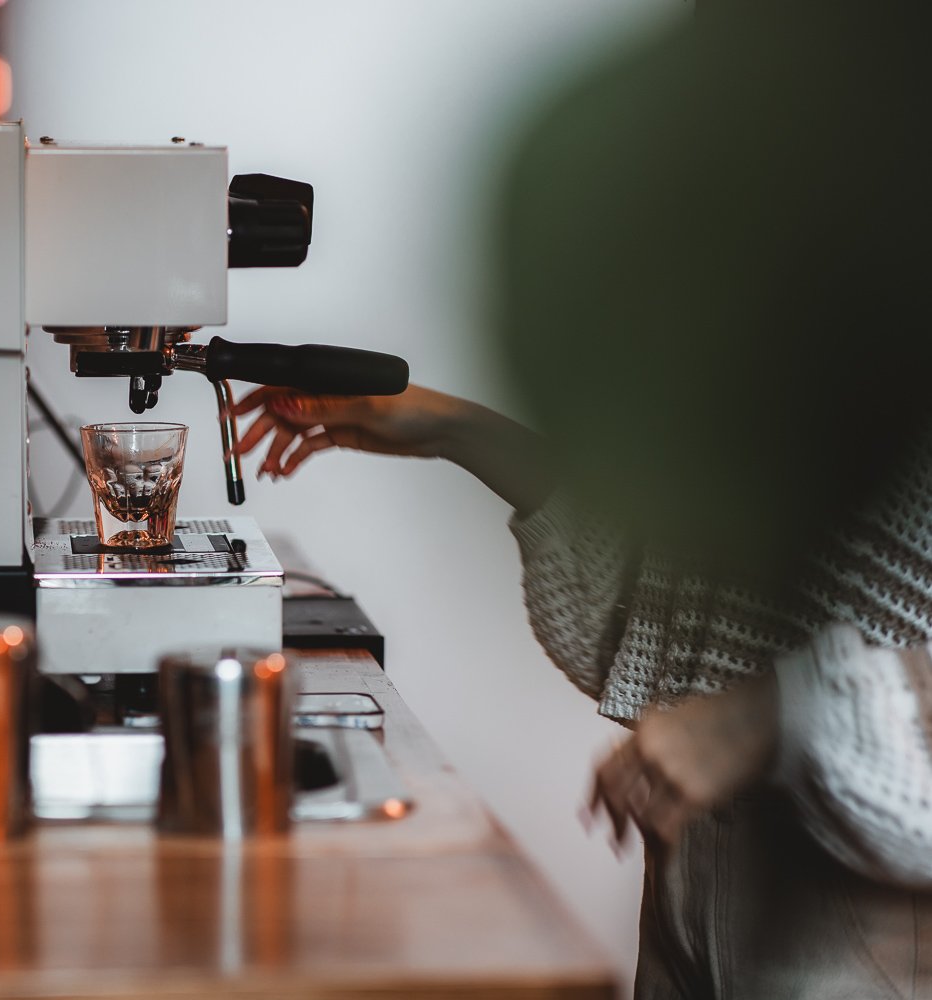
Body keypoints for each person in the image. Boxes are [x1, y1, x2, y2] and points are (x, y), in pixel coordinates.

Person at [237, 2, 932, 996]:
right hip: (703, 872)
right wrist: (456, 429)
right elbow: (697, 580)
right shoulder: (786, 173)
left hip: (879, 926)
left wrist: (772, 718)